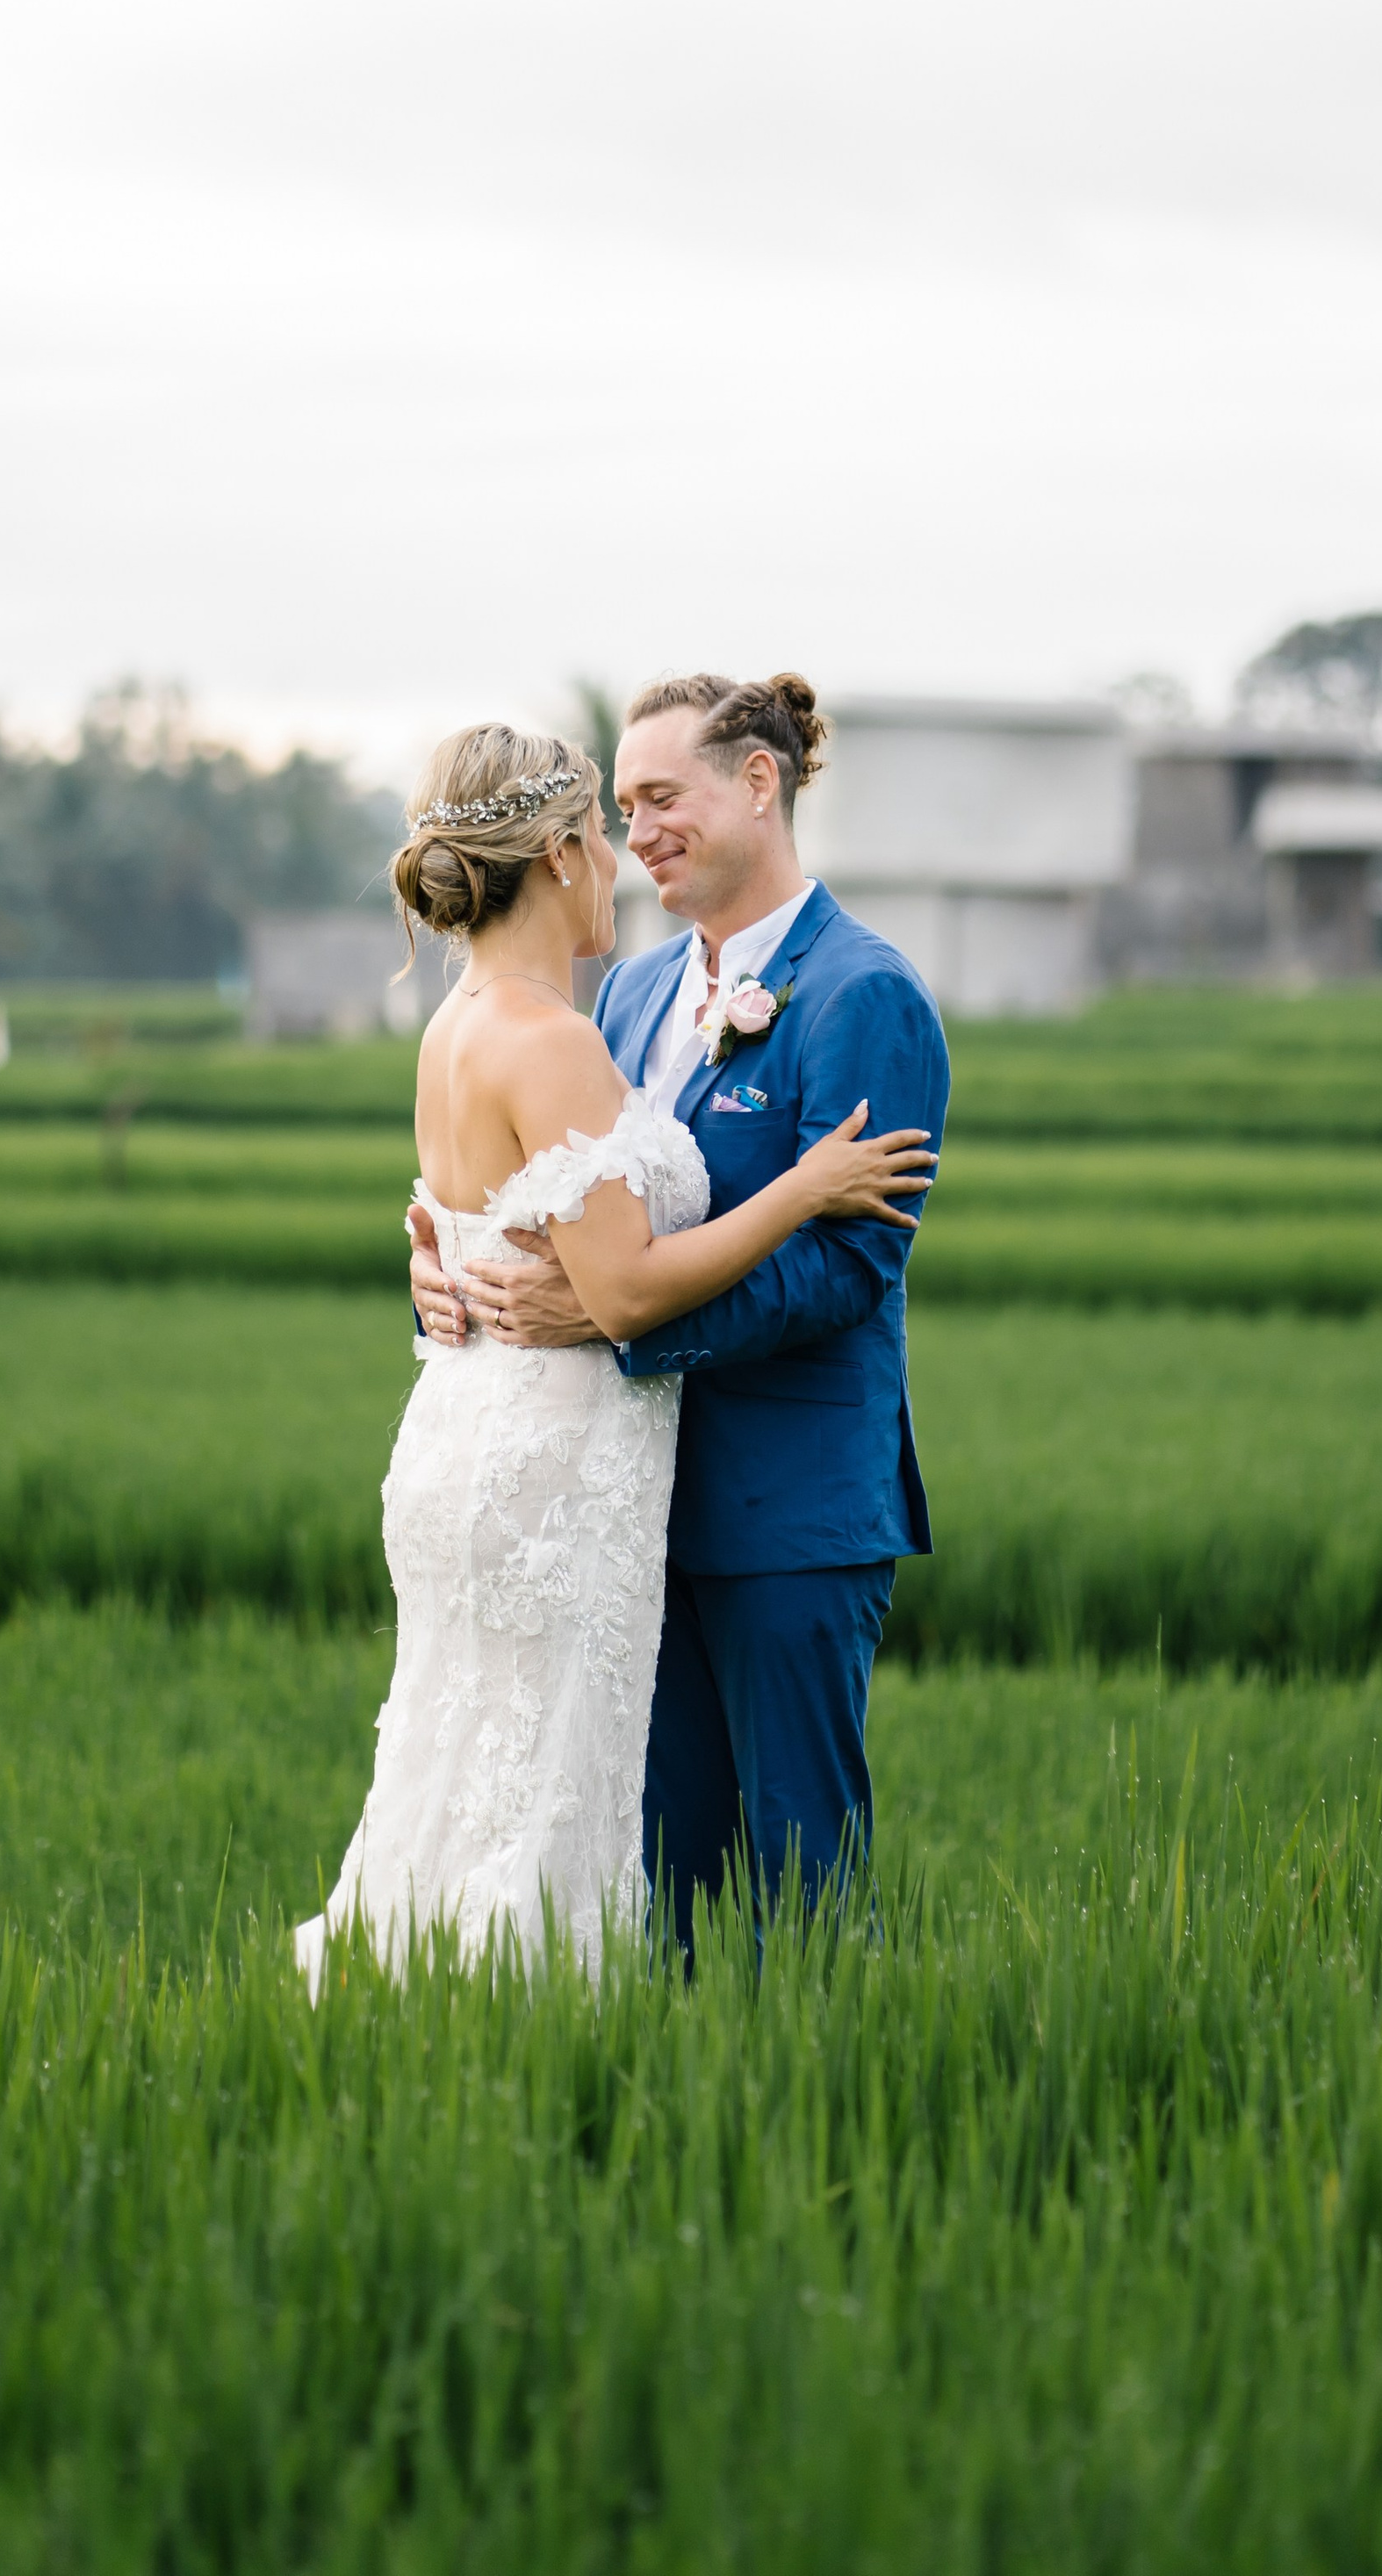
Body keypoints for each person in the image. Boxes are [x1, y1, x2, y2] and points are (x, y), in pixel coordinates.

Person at [294, 711, 932, 1996]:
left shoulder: (868, 995)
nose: (637, 837)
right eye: (618, 810)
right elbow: (536, 1213)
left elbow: (852, 1267)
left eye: (659, 797)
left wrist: (618, 1312)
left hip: (781, 1510)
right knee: (649, 1897)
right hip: (606, 1517)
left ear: (761, 783)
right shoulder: (623, 994)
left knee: (800, 1902)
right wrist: (441, 1272)